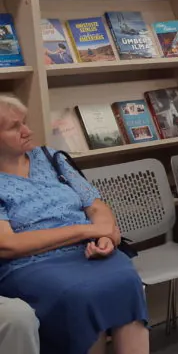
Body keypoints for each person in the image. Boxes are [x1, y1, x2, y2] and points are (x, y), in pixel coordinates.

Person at [0, 96, 149, 354]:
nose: (27, 131)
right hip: (30, 264)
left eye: (24, 122)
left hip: (88, 250)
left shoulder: (50, 157)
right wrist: (87, 231)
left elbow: (96, 206)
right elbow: (8, 244)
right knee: (80, 293)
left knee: (126, 280)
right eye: (14, 127)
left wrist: (106, 238)